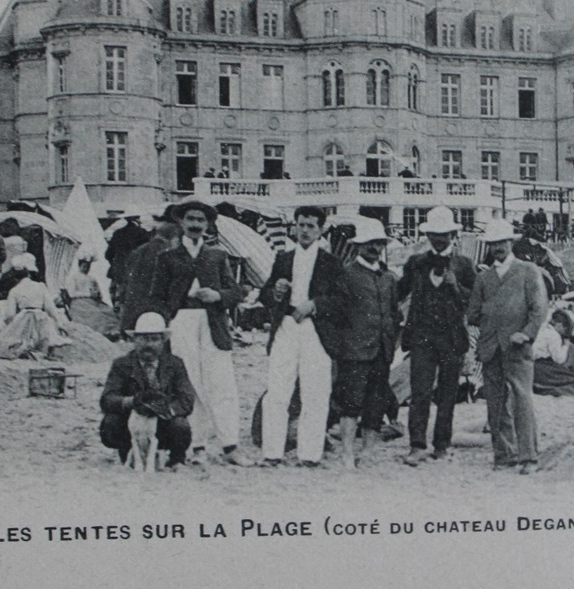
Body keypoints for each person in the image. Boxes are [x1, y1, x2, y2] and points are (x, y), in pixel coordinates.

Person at [149, 201, 247, 466]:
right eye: (190, 219)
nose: (195, 225)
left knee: (221, 383)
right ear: (181, 222)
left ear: (207, 225)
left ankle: (230, 446)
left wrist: (218, 295)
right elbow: (156, 297)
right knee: (189, 383)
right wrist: (165, 325)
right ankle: (196, 446)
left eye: (200, 221)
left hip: (213, 322)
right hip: (182, 322)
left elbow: (237, 291)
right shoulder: (167, 258)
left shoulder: (217, 256)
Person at [257, 204, 343, 468]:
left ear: (320, 230)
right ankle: (272, 452)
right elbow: (265, 294)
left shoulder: (331, 263)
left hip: (315, 330)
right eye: (301, 225)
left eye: (310, 226)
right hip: (286, 326)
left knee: (315, 391)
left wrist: (315, 304)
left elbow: (342, 299)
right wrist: (277, 292)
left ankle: (309, 454)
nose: (304, 230)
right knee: (278, 389)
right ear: (293, 227)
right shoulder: (283, 258)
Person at [466, 218, 549, 474]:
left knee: (522, 400)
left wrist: (526, 333)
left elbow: (539, 309)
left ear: (511, 242)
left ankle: (528, 456)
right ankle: (504, 455)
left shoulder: (528, 270)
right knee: (495, 402)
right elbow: (472, 314)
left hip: (518, 346)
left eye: (501, 242)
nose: (498, 247)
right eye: (493, 243)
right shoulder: (483, 277)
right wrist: (492, 316)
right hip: (490, 347)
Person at [395, 205, 477, 465]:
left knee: (448, 393)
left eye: (444, 234)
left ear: (453, 234)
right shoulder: (416, 263)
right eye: (434, 234)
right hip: (422, 337)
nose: (439, 239)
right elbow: (398, 294)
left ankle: (442, 443)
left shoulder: (464, 265)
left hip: (452, 338)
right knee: (419, 392)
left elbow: (475, 302)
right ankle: (417, 445)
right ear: (428, 235)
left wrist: (456, 287)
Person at [318, 217, 402, 469]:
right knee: (350, 402)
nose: (374, 249)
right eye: (369, 244)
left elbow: (394, 311)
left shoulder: (388, 278)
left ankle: (367, 451)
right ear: (358, 246)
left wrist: (391, 339)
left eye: (378, 243)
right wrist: (340, 347)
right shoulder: (346, 275)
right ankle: (346, 452)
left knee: (375, 403)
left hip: (382, 350)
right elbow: (335, 313)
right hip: (354, 351)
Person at [98, 312, 195, 469]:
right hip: (133, 423)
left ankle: (176, 458)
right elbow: (107, 398)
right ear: (134, 340)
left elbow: (187, 399)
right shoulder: (122, 364)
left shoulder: (175, 364)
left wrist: (165, 410)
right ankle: (126, 451)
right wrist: (132, 401)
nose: (147, 344)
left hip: (163, 423)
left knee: (181, 425)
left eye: (154, 339)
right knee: (110, 422)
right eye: (142, 338)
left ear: (163, 341)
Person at [0, 264, 69, 359]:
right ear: (28, 275)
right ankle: (39, 354)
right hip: (40, 317)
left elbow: (10, 314)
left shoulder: (15, 290)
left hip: (23, 317)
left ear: (15, 279)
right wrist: (59, 323)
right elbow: (50, 307)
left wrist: (8, 326)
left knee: (16, 340)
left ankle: (27, 352)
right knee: (43, 338)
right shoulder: (40, 286)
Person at [119, 219, 179, 331]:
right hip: (155, 310)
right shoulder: (167, 254)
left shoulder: (138, 251)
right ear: (173, 238)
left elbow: (126, 278)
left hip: (132, 307)